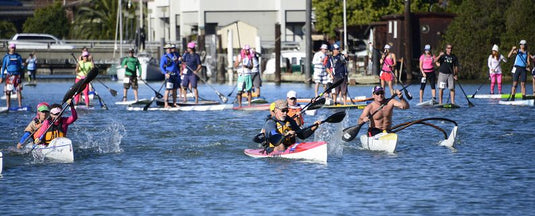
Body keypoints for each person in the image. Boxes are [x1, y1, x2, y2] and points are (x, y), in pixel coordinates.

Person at [1, 43, 24, 110]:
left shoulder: (18, 57)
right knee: (8, 91)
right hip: (9, 76)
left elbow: (21, 66)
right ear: (9, 48)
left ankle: (20, 106)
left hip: (17, 75)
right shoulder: (6, 57)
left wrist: (23, 66)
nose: (13, 49)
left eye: (14, 48)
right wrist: (1, 77)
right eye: (11, 48)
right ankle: (8, 106)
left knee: (18, 90)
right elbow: (3, 68)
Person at [160, 44, 181, 108]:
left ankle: (174, 103)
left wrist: (180, 59)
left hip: (175, 75)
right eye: (168, 48)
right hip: (169, 75)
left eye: (170, 48)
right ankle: (166, 104)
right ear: (166, 49)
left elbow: (179, 62)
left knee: (175, 90)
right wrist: (165, 74)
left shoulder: (175, 54)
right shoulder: (164, 57)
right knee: (168, 90)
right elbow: (161, 67)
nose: (169, 49)